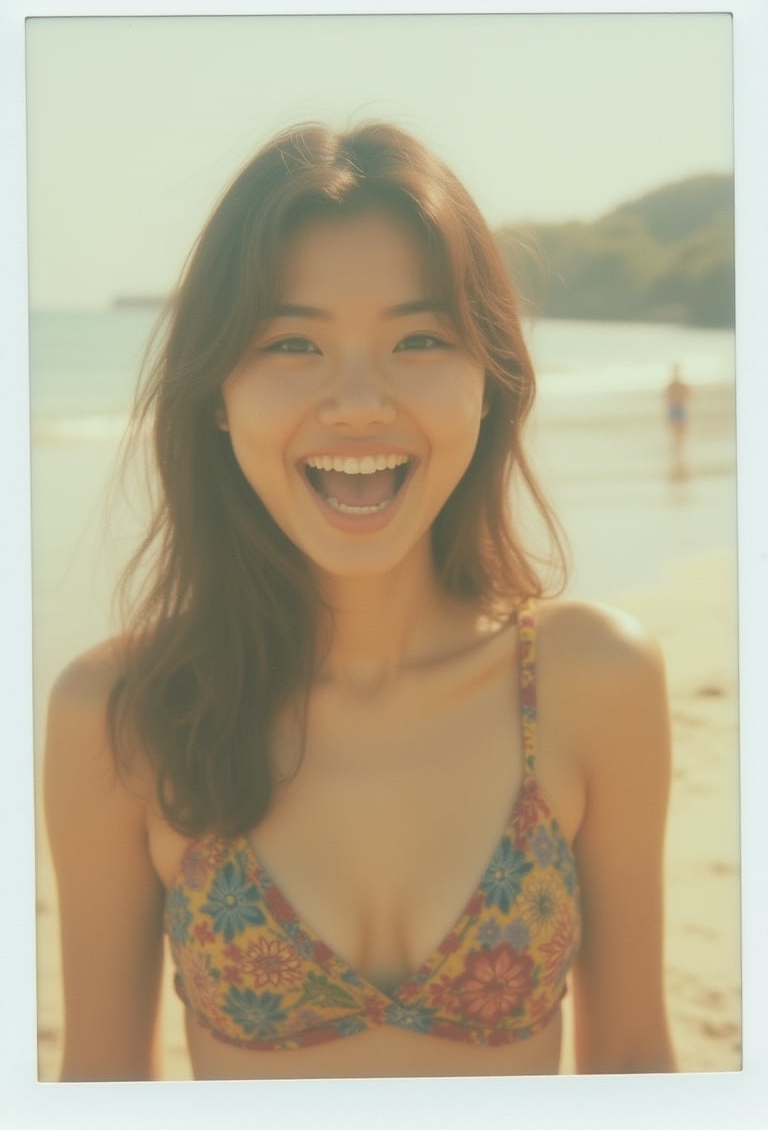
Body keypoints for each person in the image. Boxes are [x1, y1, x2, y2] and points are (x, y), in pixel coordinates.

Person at [44, 122, 675, 1080]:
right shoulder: (127, 714)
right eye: (292, 343)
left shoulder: (592, 681)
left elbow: (633, 1063)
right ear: (217, 391)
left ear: (488, 380)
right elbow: (100, 1090)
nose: (358, 404)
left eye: (420, 339)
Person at [664, 363, 692, 480]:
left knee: (679, 433)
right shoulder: (674, 385)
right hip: (677, 409)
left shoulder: (674, 385)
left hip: (678, 408)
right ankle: (677, 452)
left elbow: (689, 395)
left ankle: (677, 452)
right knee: (677, 433)